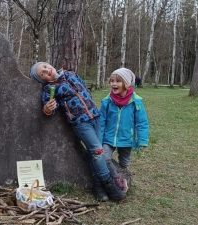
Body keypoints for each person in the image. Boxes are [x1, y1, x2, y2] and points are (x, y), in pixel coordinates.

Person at [30, 62, 126, 202]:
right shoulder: (49, 88)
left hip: (95, 116)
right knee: (98, 152)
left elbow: (85, 90)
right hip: (80, 122)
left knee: (95, 154)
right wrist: (48, 108)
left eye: (45, 67)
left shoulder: (71, 74)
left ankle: (98, 187)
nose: (46, 71)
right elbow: (48, 109)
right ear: (42, 79)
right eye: (42, 73)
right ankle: (110, 185)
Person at [100, 68, 149, 193]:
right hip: (108, 137)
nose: (113, 84)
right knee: (104, 158)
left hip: (126, 138)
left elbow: (142, 122)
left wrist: (142, 140)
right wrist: (98, 139)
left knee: (124, 163)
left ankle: (124, 179)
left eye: (118, 81)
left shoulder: (136, 102)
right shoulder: (107, 101)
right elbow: (101, 122)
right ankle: (116, 180)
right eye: (111, 81)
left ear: (126, 84)